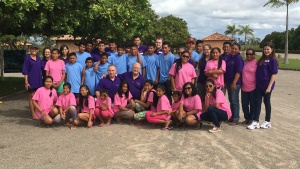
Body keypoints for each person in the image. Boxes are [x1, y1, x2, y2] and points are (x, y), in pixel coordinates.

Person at [247, 43, 278, 130]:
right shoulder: (261, 60)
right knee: (257, 103)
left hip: (267, 85)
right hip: (259, 85)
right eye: (265, 49)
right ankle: (255, 121)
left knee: (267, 103)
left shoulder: (273, 60)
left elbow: (274, 74)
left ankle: (267, 121)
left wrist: (269, 87)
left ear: (272, 49)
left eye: (268, 49)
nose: (266, 51)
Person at [224, 43, 244, 125]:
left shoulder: (238, 58)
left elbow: (238, 72)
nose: (234, 50)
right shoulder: (229, 57)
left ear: (239, 50)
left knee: (234, 100)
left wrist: (234, 83)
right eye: (233, 48)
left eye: (236, 49)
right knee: (231, 99)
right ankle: (232, 116)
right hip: (228, 82)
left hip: (235, 83)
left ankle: (236, 118)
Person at [22, 44, 43, 119]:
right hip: (31, 80)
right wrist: (26, 82)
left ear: (37, 50)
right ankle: (33, 114)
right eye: (32, 49)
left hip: (38, 80)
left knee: (37, 98)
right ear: (30, 50)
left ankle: (36, 112)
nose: (34, 50)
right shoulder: (27, 58)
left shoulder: (38, 58)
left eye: (35, 49)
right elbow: (25, 71)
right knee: (32, 97)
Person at [241, 49, 257, 125]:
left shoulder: (257, 63)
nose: (249, 55)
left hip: (253, 87)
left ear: (254, 55)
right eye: (247, 54)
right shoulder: (244, 63)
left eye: (251, 54)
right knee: (244, 104)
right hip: (244, 87)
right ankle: (247, 118)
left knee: (253, 104)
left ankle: (252, 119)